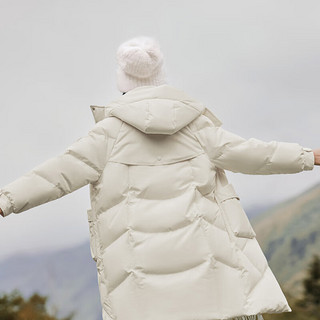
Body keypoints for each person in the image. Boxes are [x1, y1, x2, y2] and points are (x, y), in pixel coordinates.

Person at [0, 35, 319, 320]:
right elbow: (257, 154)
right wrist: (310, 156)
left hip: (141, 295)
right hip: (212, 287)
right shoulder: (198, 130)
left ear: (121, 83)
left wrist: (5, 200)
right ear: (162, 80)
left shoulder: (105, 137)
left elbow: (54, 175)